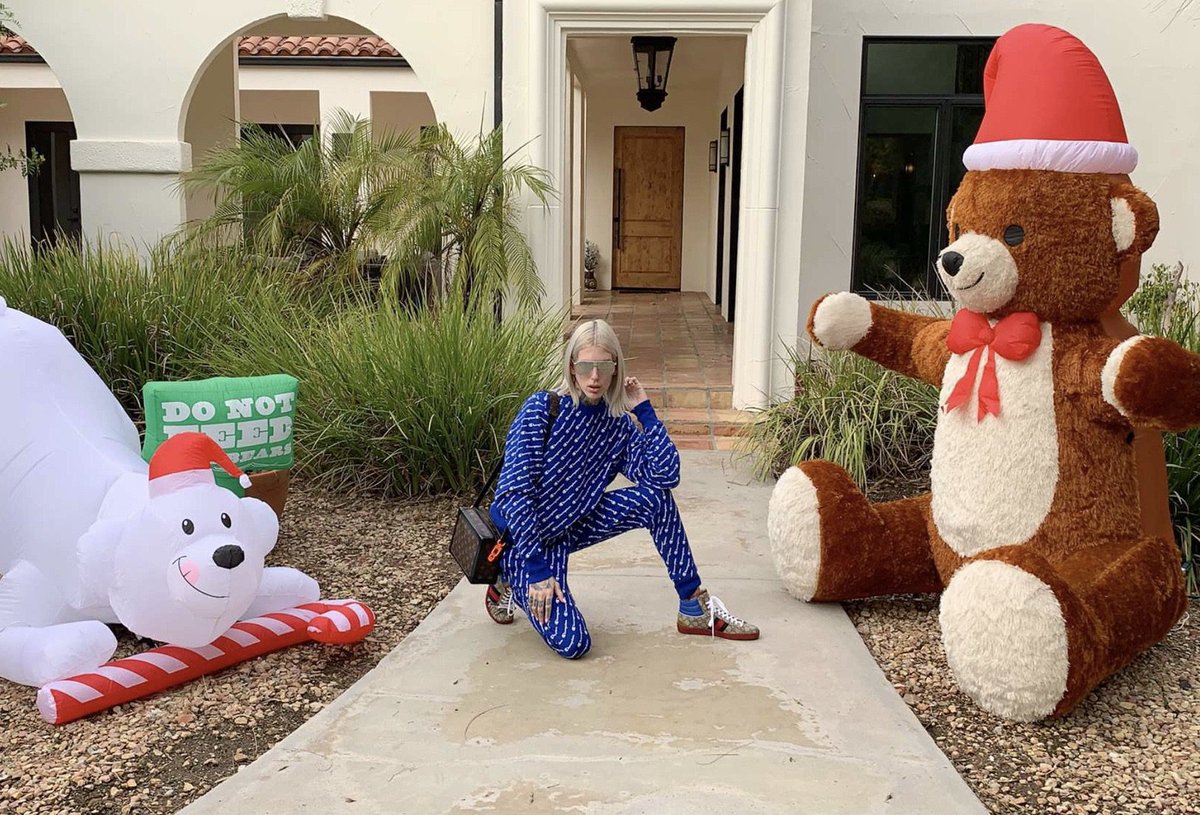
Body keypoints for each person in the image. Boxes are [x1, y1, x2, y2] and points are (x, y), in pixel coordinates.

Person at [483, 318, 758, 658]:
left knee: (656, 500)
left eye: (603, 366)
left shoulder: (617, 426)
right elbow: (514, 496)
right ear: (571, 367)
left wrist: (645, 411)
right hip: (523, 540)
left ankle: (693, 606)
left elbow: (665, 475)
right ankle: (508, 575)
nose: (594, 377)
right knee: (573, 643)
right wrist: (537, 572)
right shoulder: (542, 410)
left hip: (573, 525)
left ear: (616, 368)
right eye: (585, 366)